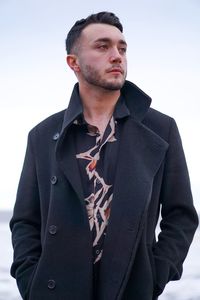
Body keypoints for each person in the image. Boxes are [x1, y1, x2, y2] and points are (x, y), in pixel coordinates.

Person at [10, 11, 198, 300]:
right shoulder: (42, 136)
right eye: (102, 46)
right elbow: (25, 221)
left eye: (122, 48)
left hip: (130, 290)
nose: (117, 55)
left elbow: (181, 216)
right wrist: (29, 279)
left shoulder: (161, 129)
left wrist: (155, 275)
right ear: (73, 62)